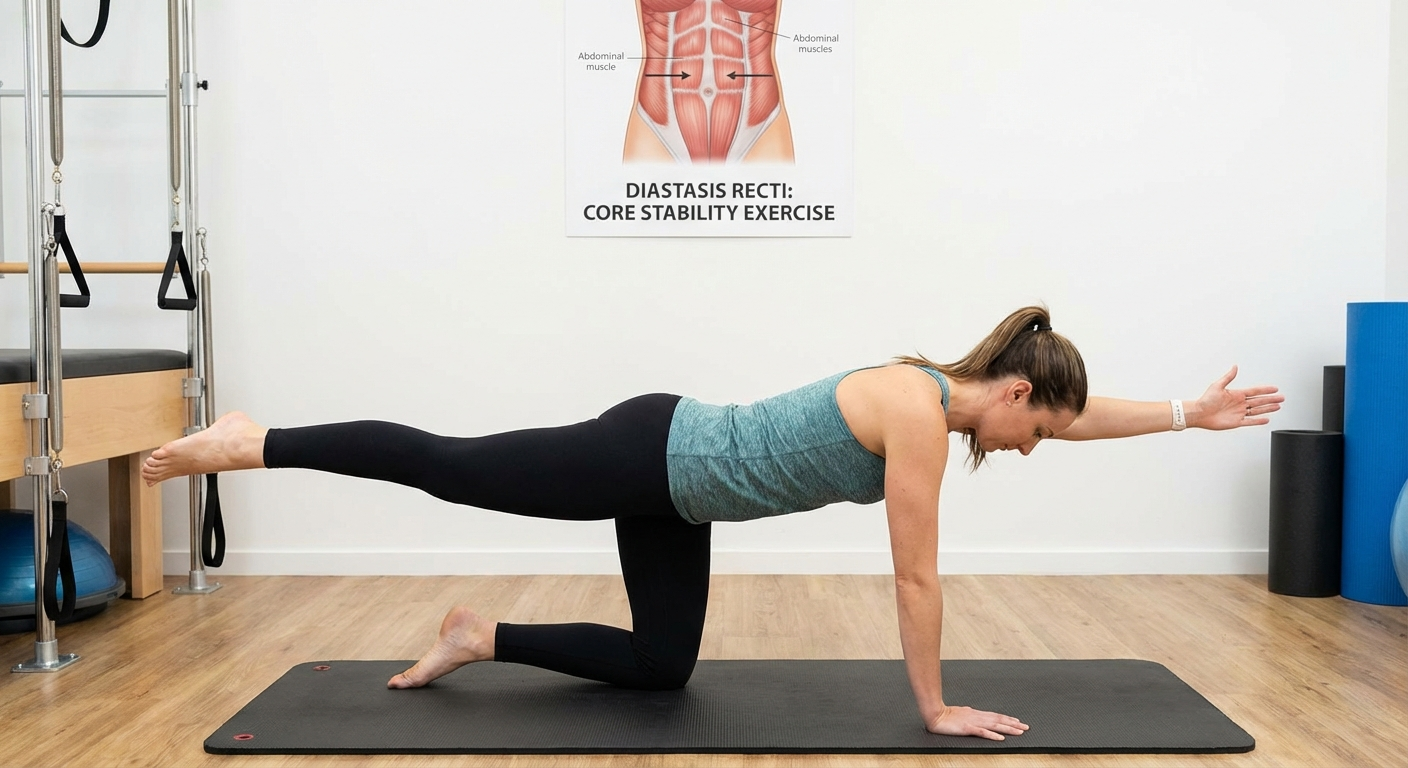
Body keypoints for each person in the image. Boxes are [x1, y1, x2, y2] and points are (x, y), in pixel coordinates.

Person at [140, 305, 1282, 741]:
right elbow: (917, 579)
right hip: (649, 452)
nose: (1035, 451)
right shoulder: (921, 413)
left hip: (678, 497)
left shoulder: (952, 391)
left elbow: (1083, 425)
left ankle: (477, 636)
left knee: (656, 667)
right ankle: (255, 439)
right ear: (1016, 395)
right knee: (454, 468)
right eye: (1040, 432)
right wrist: (931, 707)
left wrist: (1190, 412)